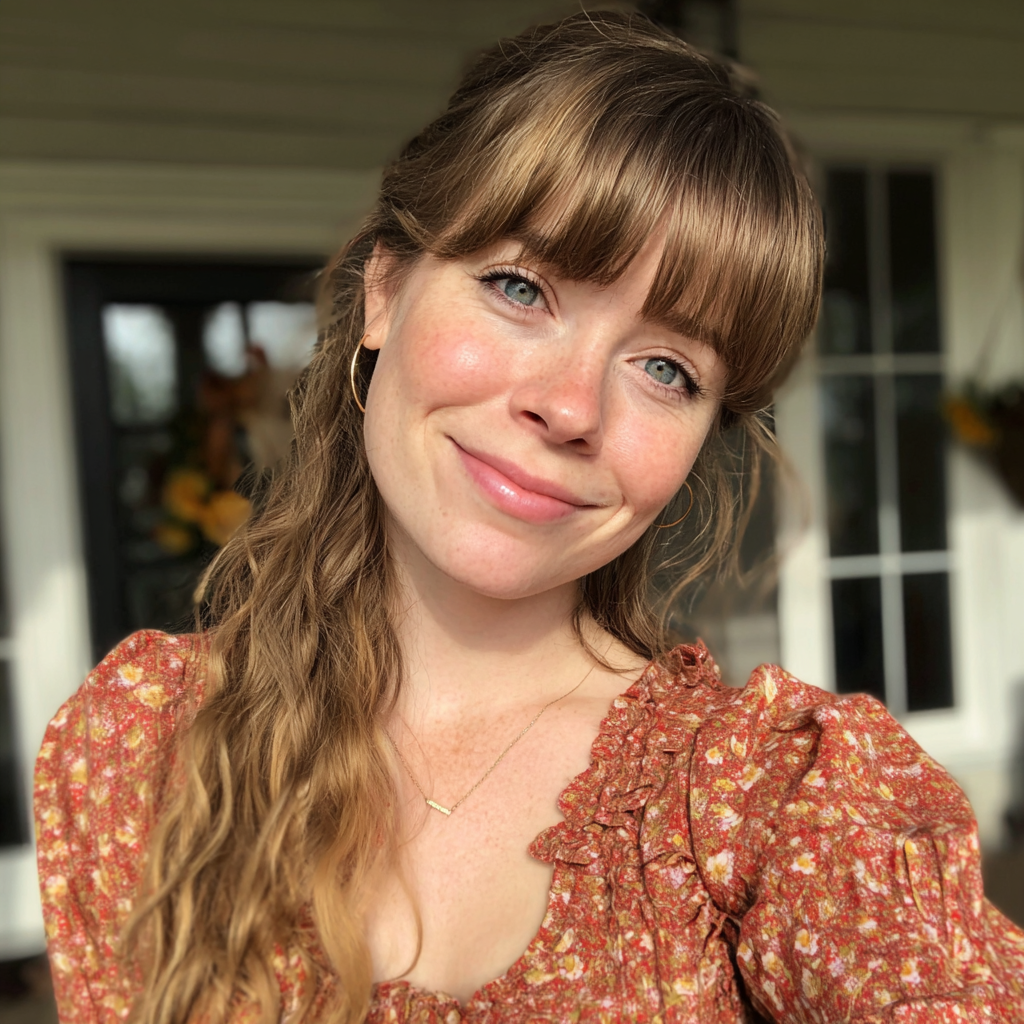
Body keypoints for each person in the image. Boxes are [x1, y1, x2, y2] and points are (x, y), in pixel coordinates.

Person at [34, 11, 1024, 1024]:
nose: (571, 406)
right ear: (383, 289)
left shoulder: (759, 800)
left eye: (664, 368)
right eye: (520, 288)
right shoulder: (140, 746)